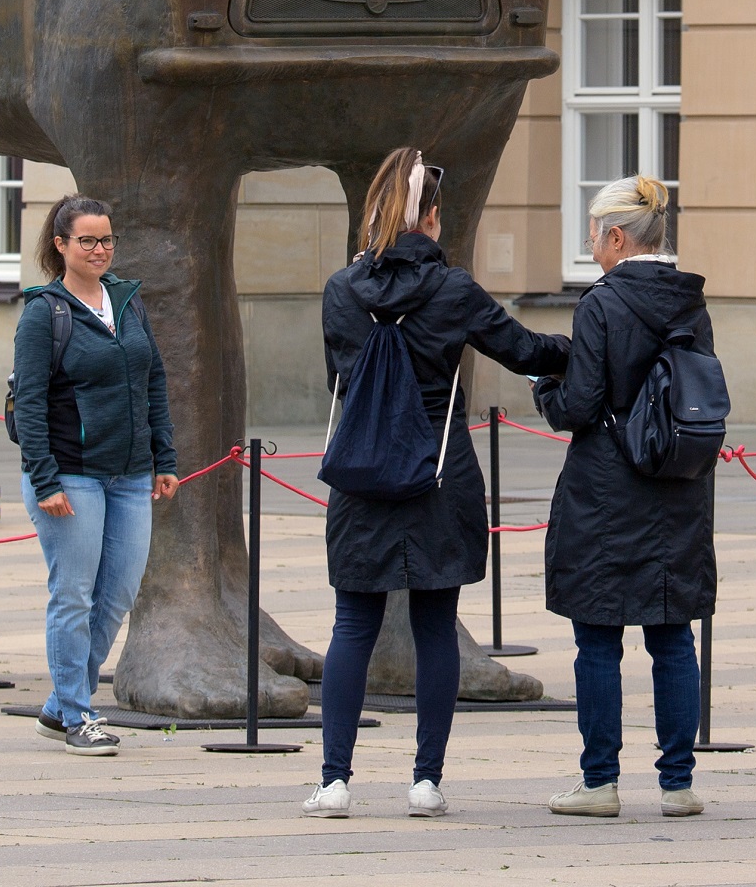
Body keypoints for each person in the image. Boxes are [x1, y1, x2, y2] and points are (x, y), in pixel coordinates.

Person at [303, 148, 571, 821]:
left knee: (352, 626)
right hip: (437, 471)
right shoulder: (453, 290)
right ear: (427, 216)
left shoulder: (342, 290)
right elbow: (524, 350)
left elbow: (343, 372)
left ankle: (334, 781)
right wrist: (585, 347)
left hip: (362, 469)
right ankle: (426, 780)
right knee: (435, 626)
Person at [536, 174, 714, 820]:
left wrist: (544, 387)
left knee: (598, 639)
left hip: (607, 487)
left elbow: (579, 404)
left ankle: (600, 781)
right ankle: (677, 784)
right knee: (672, 637)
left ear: (616, 236)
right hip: (677, 482)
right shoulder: (690, 301)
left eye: (593, 234)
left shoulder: (603, 303)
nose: (591, 246)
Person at [13, 194, 179, 756]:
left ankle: (61, 705)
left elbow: (153, 380)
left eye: (107, 239)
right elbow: (30, 404)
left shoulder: (128, 302)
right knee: (74, 595)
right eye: (87, 240)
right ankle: (79, 715)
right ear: (61, 245)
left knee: (117, 595)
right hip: (72, 475)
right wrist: (45, 481)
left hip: (131, 476)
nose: (100, 249)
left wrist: (164, 459)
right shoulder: (44, 311)